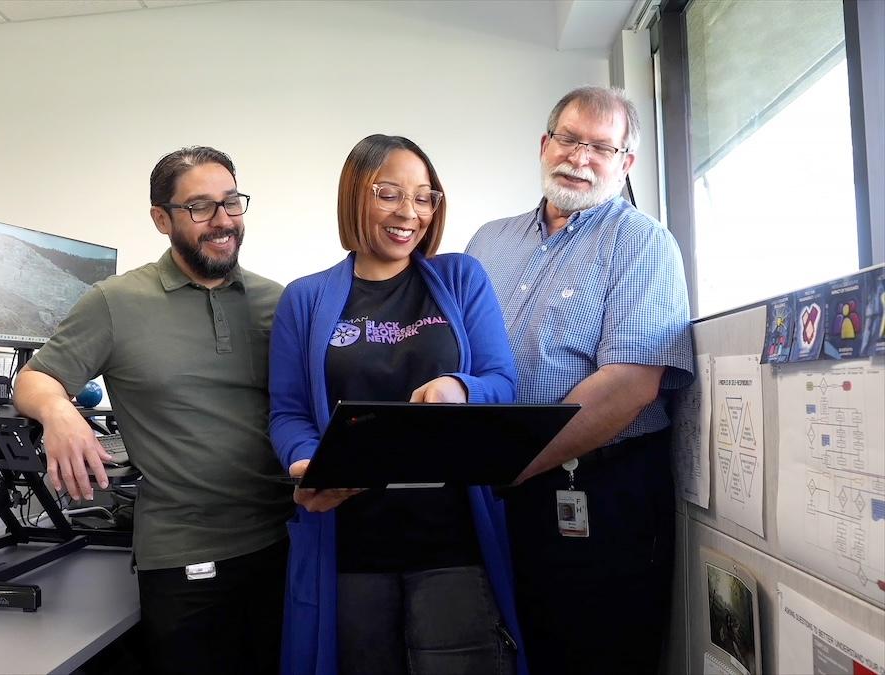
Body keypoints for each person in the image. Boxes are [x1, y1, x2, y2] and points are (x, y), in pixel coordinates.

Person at [13, 146, 294, 675]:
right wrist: (59, 412)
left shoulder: (278, 301)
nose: (222, 221)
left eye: (232, 203)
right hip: (186, 556)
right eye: (200, 207)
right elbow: (33, 378)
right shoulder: (114, 302)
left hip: (285, 542)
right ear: (161, 218)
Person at [270, 134, 527, 675]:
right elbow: (288, 412)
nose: (408, 212)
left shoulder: (460, 279)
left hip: (453, 542)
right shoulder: (306, 297)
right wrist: (306, 462)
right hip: (349, 544)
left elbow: (502, 382)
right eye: (388, 194)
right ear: (354, 196)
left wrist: (460, 387)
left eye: (423, 196)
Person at [465, 86, 694, 674]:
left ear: (626, 163)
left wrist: (507, 466)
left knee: (594, 654)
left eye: (601, 146)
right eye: (568, 139)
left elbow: (631, 383)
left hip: (601, 496)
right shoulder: (488, 242)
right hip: (495, 490)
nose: (580, 157)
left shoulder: (642, 242)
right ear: (545, 144)